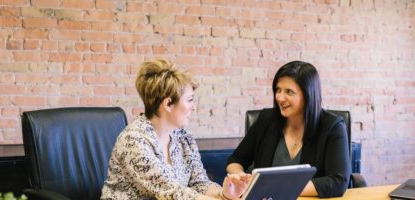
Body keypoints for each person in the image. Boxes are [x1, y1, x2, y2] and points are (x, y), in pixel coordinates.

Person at [101, 59, 248, 200]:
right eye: (190, 100)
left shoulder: (184, 137)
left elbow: (199, 184)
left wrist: (225, 194)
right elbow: (172, 193)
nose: (194, 107)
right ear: (168, 104)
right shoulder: (134, 140)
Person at [226, 61, 351, 198]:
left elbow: (338, 182)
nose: (280, 98)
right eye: (278, 90)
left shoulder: (332, 126)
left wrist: (277, 188)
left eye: (289, 92)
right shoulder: (266, 119)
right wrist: (240, 176)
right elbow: (236, 160)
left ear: (308, 95)